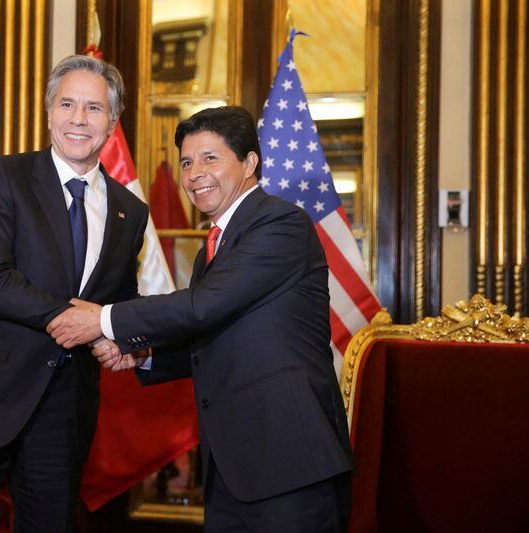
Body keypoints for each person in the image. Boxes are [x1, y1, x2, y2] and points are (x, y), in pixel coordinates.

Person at [48, 106, 353, 532]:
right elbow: (214, 334)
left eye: (211, 158)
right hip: (232, 466)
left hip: (289, 461)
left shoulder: (280, 224)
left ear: (249, 163)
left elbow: (202, 306)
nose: (194, 175)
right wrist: (146, 354)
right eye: (187, 162)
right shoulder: (217, 245)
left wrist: (104, 319)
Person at [0, 55, 149, 533]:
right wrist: (82, 321)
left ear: (113, 121)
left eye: (94, 108)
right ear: (48, 112)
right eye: (67, 104)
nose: (79, 119)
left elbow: (119, 301)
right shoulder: (3, 177)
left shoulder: (130, 211)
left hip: (65, 409)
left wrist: (124, 334)